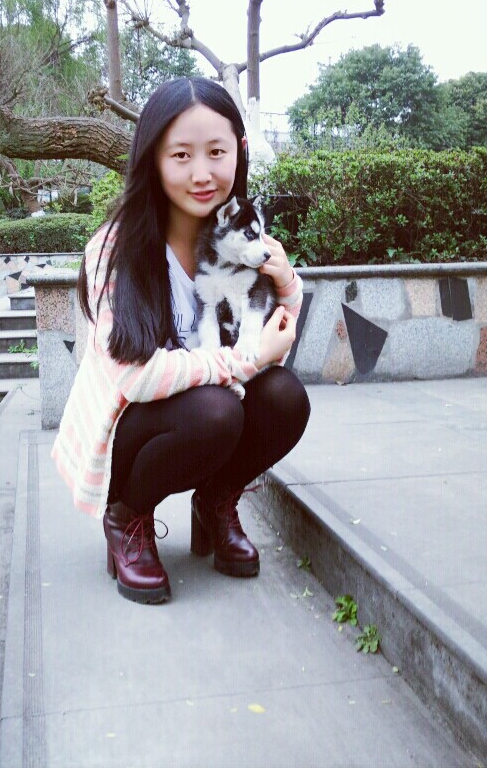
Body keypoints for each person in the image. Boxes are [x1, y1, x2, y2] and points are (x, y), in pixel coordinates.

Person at [51, 77, 311, 605]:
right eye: (181, 155)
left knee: (285, 397)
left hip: (204, 406)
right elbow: (135, 377)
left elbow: (271, 342)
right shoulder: (116, 249)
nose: (202, 174)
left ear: (239, 150)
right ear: (152, 158)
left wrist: (287, 284)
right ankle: (127, 518)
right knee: (216, 411)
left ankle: (215, 502)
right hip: (129, 430)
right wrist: (242, 363)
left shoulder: (242, 236)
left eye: (216, 152)